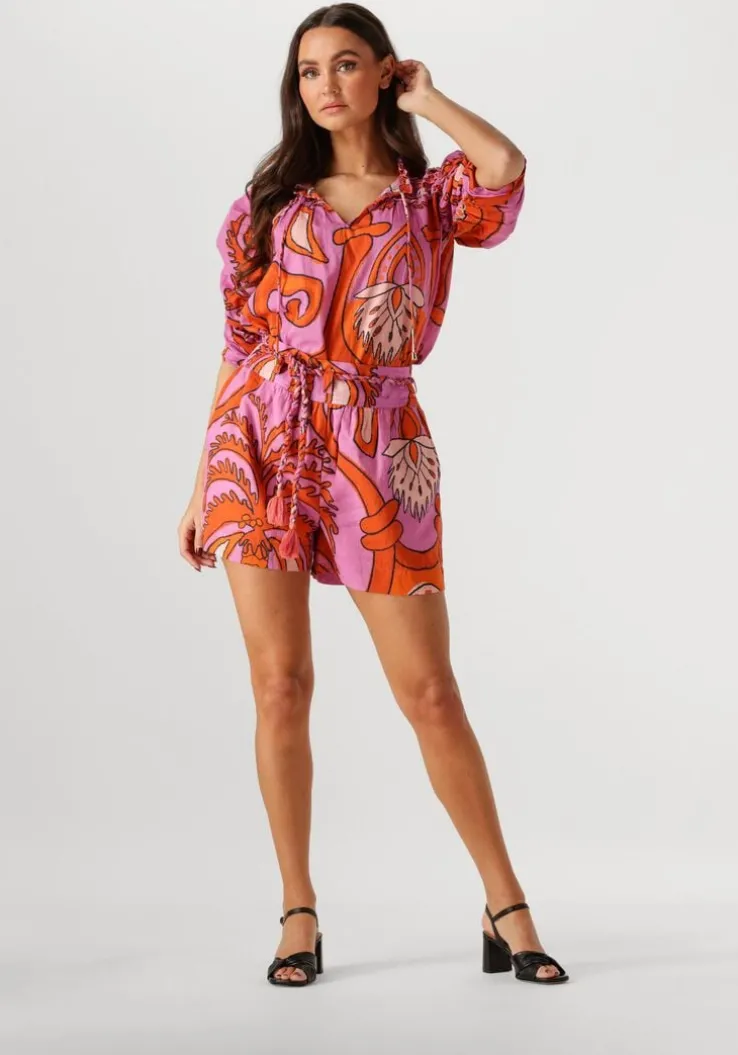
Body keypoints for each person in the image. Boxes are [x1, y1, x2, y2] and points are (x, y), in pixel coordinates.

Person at [178, 2, 568, 988]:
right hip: (258, 446)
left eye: (347, 64)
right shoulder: (264, 205)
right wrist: (201, 484)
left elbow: (506, 168)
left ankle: (505, 901)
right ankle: (298, 909)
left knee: (430, 691)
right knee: (280, 684)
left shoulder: (429, 200)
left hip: (379, 447)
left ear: (382, 72)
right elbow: (238, 344)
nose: (326, 85)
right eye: (309, 70)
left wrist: (428, 99)